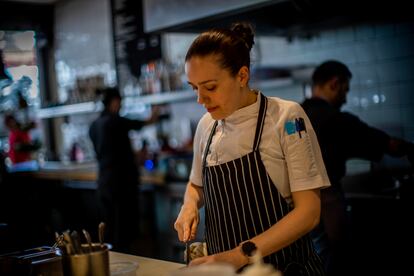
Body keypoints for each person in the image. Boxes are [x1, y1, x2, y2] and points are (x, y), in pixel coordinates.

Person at [173, 22, 330, 275]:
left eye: (210, 87)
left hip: (284, 269)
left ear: (242, 76)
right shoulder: (206, 125)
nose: (200, 100)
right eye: (195, 88)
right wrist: (189, 205)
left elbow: (309, 213)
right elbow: (196, 184)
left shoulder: (288, 117)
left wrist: (239, 255)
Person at [301, 60, 414, 276]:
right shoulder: (338, 120)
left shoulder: (295, 116)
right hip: (328, 202)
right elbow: (389, 144)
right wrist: (409, 148)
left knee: (312, 259)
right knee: (337, 258)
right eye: (345, 90)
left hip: (298, 204)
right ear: (334, 83)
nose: (345, 98)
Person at [89, 87, 159, 253]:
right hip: (122, 185)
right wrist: (156, 109)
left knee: (109, 232)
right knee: (124, 234)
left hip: (104, 183)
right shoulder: (116, 121)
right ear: (115, 101)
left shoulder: (94, 125)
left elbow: (111, 151)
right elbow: (146, 122)